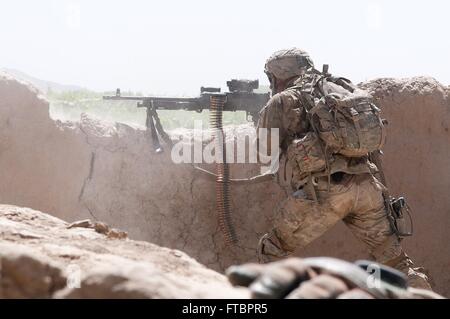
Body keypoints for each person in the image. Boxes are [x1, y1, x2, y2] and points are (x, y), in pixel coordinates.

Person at [256, 48, 431, 290]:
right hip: (367, 188)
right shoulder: (338, 88)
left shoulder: (284, 100)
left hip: (323, 194)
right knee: (396, 263)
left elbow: (264, 151)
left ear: (277, 76)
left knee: (272, 252)